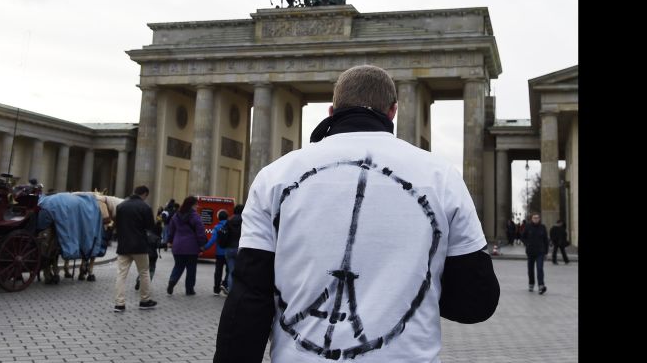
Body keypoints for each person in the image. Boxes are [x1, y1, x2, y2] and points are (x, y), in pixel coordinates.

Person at [214, 65, 499, 362]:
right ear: (393, 112)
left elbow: (248, 300)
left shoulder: (274, 177)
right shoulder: (441, 177)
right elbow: (477, 301)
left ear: (331, 111)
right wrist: (416, 286)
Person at [112, 185, 158, 312]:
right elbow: (150, 227)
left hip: (123, 245)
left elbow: (117, 225)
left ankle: (119, 304)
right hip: (140, 246)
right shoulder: (145, 207)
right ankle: (144, 300)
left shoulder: (121, 206)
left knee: (121, 274)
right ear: (144, 194)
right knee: (144, 272)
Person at [166, 195, 207, 295]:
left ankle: (172, 281)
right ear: (193, 205)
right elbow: (200, 232)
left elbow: (171, 231)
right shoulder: (195, 216)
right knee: (191, 269)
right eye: (196, 204)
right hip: (191, 247)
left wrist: (169, 241)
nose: (197, 206)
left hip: (177, 246)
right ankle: (189, 289)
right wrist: (202, 244)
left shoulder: (176, 216)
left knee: (178, 266)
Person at [200, 209, 229, 295]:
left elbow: (212, 240)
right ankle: (225, 284)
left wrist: (204, 248)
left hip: (219, 253)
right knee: (229, 270)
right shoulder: (231, 226)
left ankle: (216, 289)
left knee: (218, 271)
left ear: (219, 218)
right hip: (228, 252)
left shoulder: (217, 227)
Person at [134, 212, 163, 290]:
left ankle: (139, 279)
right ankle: (146, 284)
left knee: (143, 269)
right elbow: (159, 245)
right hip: (153, 256)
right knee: (151, 269)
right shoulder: (157, 237)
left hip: (143, 254)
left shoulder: (146, 234)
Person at [522, 212, 549, 294]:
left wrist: (546, 252)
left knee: (540, 268)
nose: (536, 219)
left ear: (539, 219)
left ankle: (541, 285)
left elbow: (546, 240)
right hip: (530, 252)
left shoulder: (542, 227)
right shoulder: (528, 227)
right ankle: (531, 283)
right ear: (532, 219)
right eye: (534, 218)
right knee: (530, 269)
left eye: (537, 218)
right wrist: (527, 244)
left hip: (540, 252)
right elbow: (523, 237)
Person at [221, 204, 243, 294]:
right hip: (241, 249)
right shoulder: (245, 221)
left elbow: (224, 234)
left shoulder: (228, 221)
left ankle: (231, 291)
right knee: (241, 272)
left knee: (231, 271)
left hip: (229, 249)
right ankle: (239, 292)